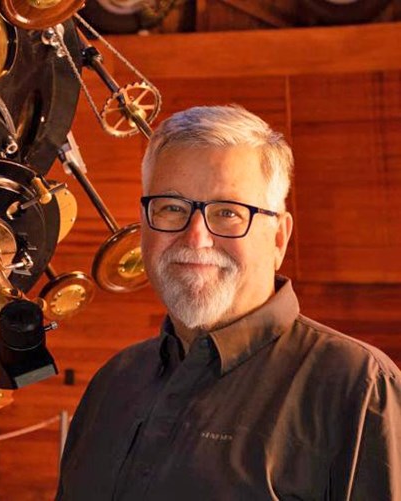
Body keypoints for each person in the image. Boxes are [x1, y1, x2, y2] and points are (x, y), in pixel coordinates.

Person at [56, 105, 401, 500]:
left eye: (228, 213)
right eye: (172, 208)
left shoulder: (358, 388)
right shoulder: (113, 383)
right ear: (145, 223)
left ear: (278, 239)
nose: (196, 238)